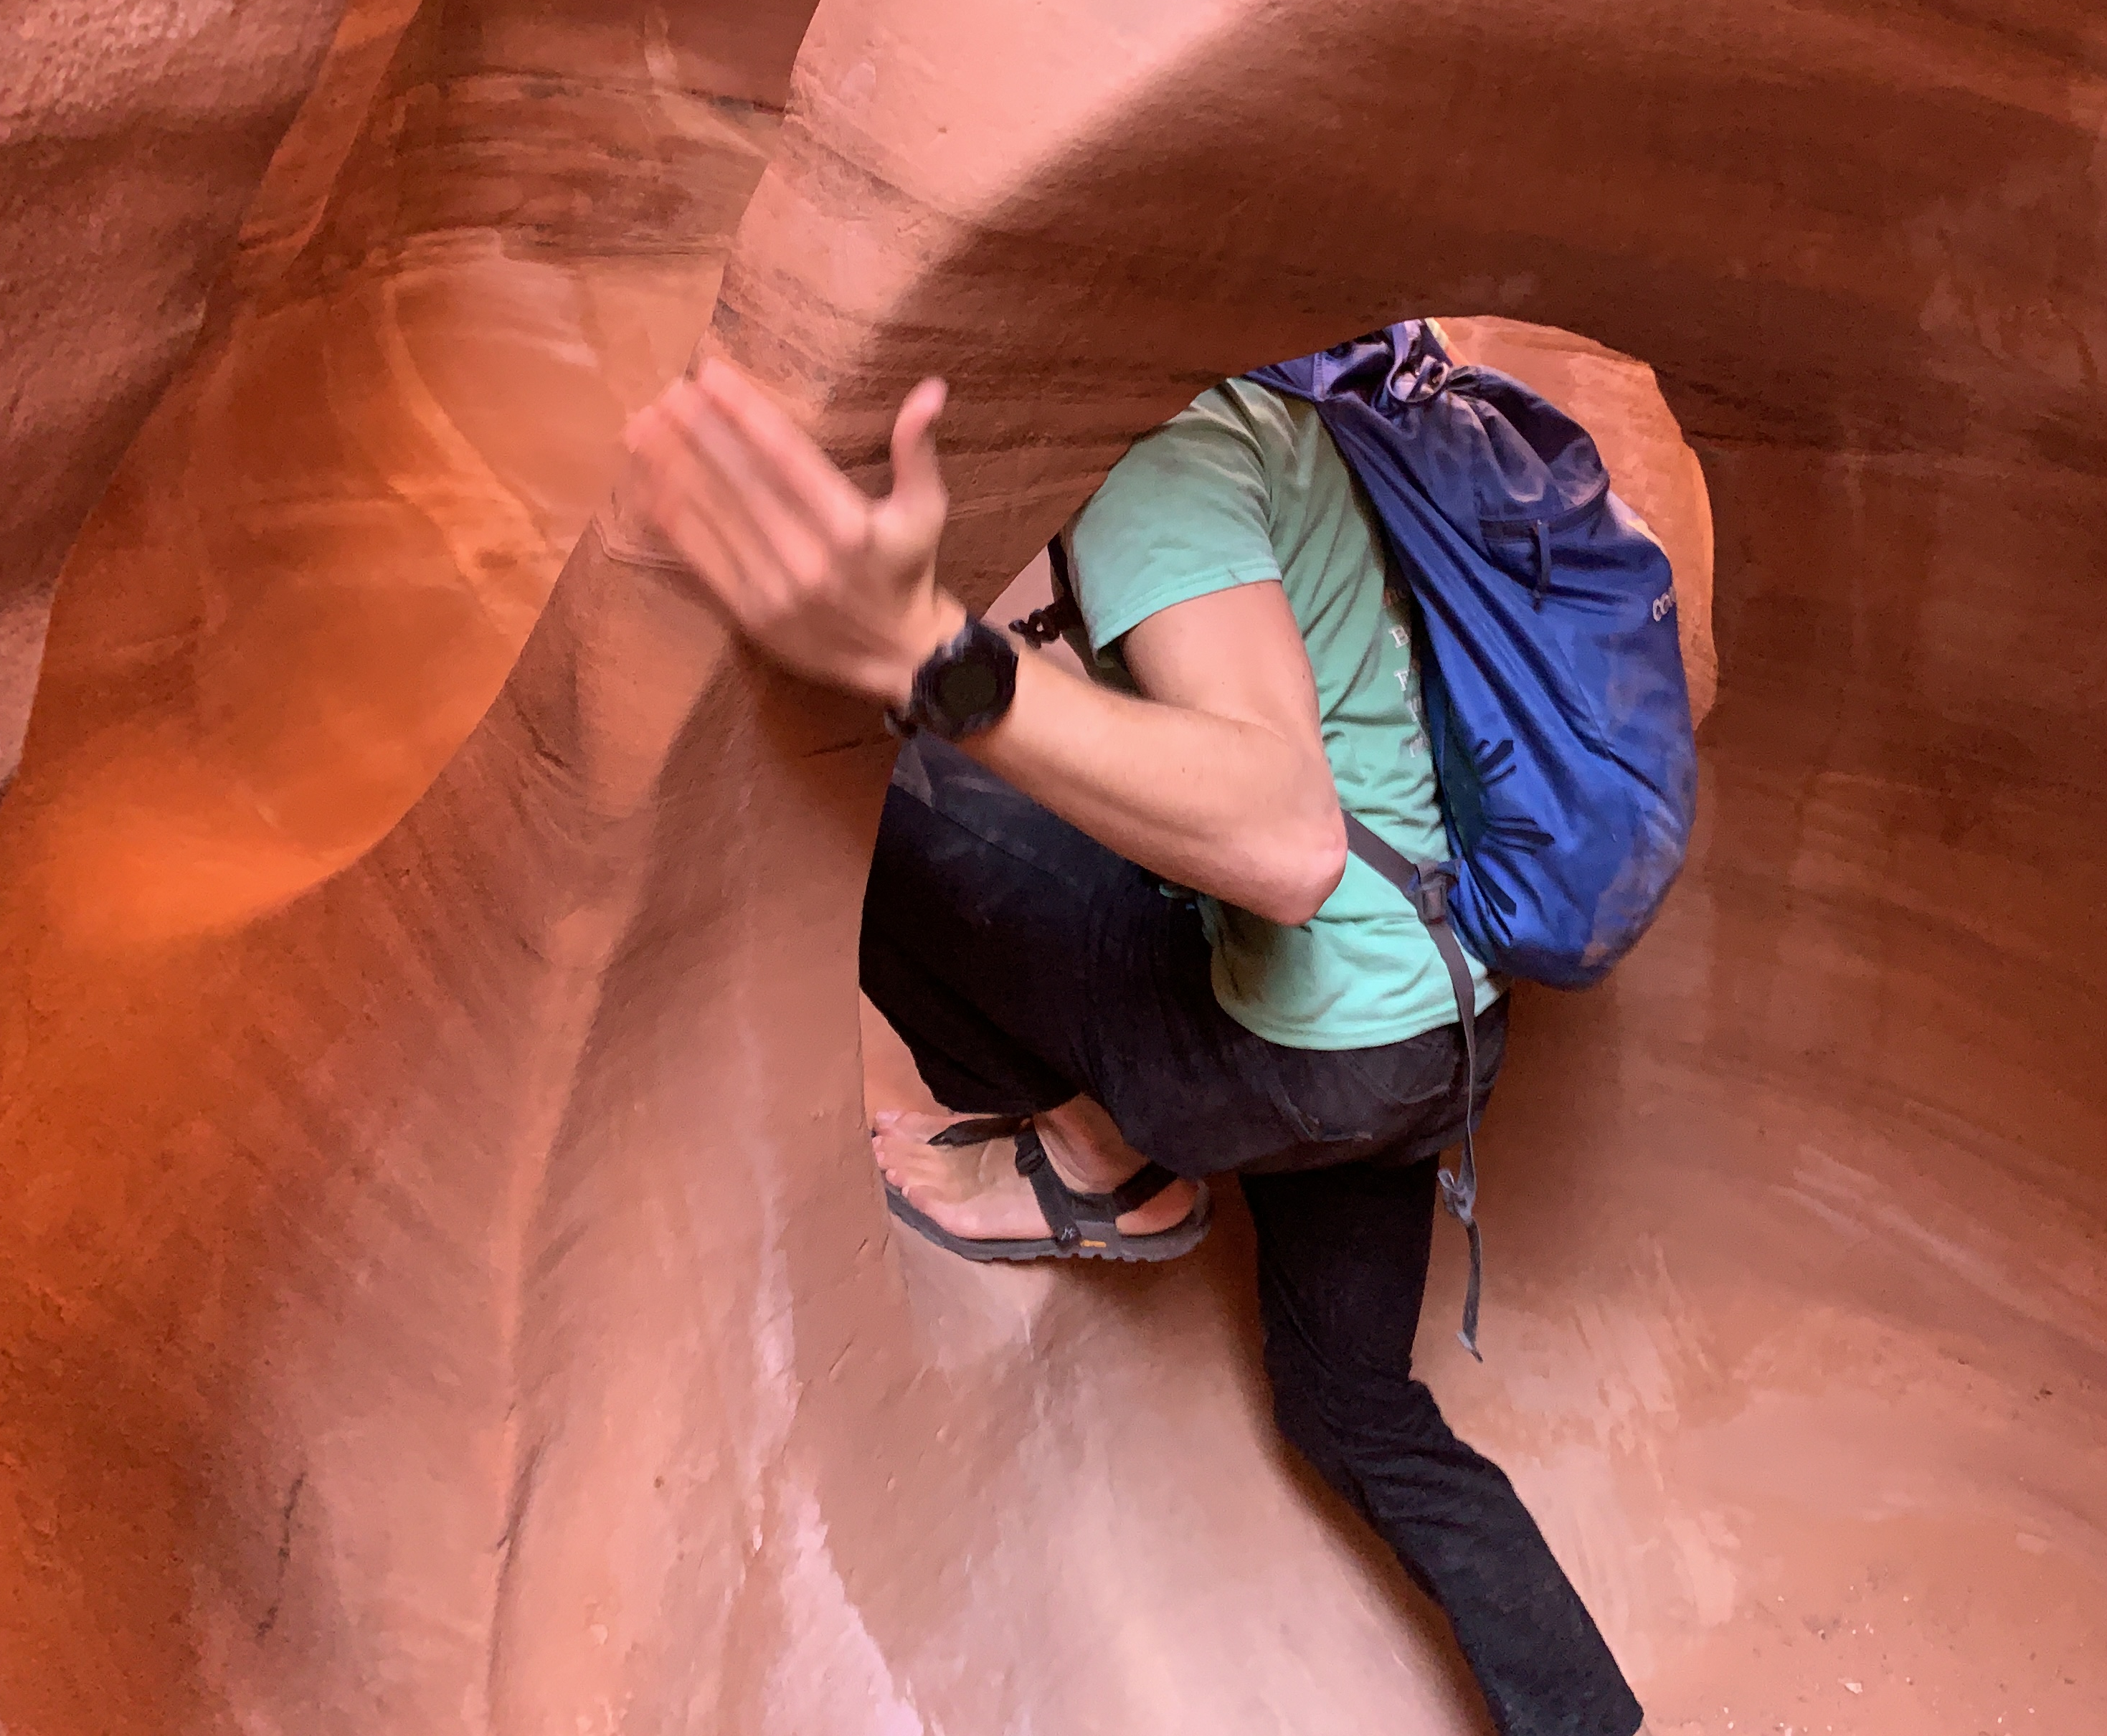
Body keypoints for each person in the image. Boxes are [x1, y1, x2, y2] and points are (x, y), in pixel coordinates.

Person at [622, 355, 1644, 1736]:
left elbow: (1285, 842)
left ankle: (1097, 1159)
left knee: (895, 803)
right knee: (1354, 1414)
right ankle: (1590, 1723)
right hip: (1439, 1040)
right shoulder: (1308, 435)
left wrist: (944, 664)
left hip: (1288, 1051)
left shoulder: (1163, 450)